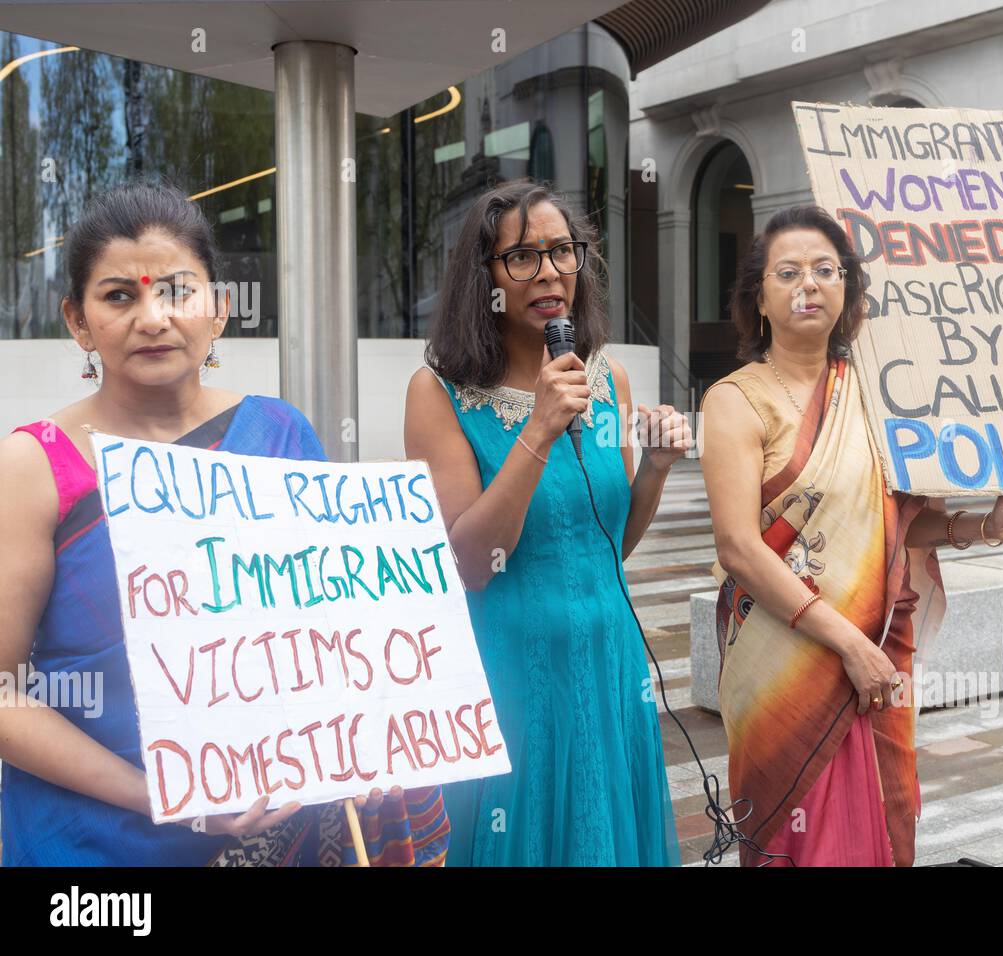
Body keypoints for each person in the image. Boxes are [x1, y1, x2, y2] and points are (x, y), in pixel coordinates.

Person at [0, 181, 447, 866]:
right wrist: (164, 794)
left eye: (178, 290)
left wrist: (366, 739)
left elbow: (333, 635)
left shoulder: (278, 433)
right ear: (78, 321)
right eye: (120, 295)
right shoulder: (35, 467)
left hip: (285, 826)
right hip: (95, 848)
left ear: (220, 310)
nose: (153, 317)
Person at [699, 204, 1003, 867]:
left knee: (884, 821)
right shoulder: (735, 400)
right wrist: (849, 643)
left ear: (849, 291)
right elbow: (738, 548)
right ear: (759, 298)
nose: (810, 283)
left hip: (878, 653)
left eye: (827, 270)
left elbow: (906, 525)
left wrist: (987, 525)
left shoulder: (886, 396)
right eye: (788, 271)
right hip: (782, 655)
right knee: (797, 828)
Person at [405, 179, 690, 866]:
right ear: (485, 277)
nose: (551, 272)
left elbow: (607, 543)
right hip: (513, 676)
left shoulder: (607, 379)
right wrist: (537, 429)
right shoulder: (439, 393)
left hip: (610, 661)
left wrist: (652, 469)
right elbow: (470, 562)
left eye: (563, 250)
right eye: (522, 257)